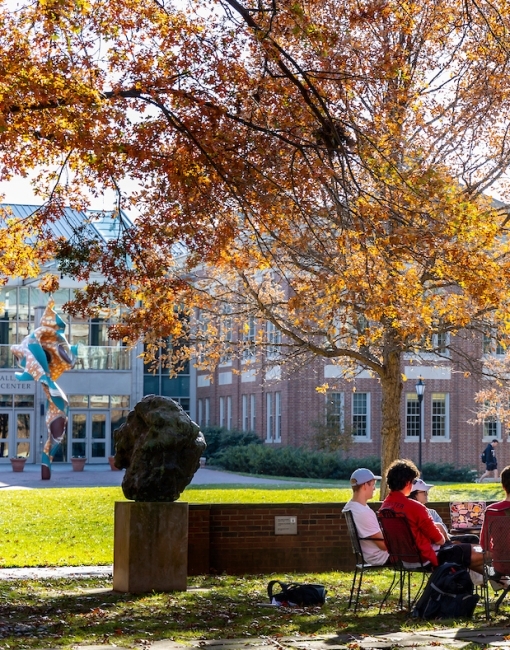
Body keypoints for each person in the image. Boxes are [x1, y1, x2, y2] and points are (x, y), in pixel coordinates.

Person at [379, 459, 484, 574]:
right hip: (427, 558)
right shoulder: (415, 507)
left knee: (465, 553)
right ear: (408, 483)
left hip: (402, 559)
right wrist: (440, 531)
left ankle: (498, 581)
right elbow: (439, 540)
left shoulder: (384, 507)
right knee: (482, 554)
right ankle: (498, 578)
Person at [342, 468, 390, 565]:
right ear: (364, 485)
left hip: (370, 555)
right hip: (381, 556)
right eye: (372, 485)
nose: (374, 488)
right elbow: (384, 546)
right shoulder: (363, 512)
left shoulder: (350, 506)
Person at [409, 478, 479, 544]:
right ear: (413, 494)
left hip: (445, 539)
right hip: (435, 543)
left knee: (473, 538)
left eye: (427, 492)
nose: (427, 494)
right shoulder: (410, 513)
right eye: (423, 492)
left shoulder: (432, 512)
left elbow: (444, 531)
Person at [480, 464, 510, 588]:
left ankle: (503, 582)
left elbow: (484, 545)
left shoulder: (492, 511)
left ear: (503, 486)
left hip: (500, 565)